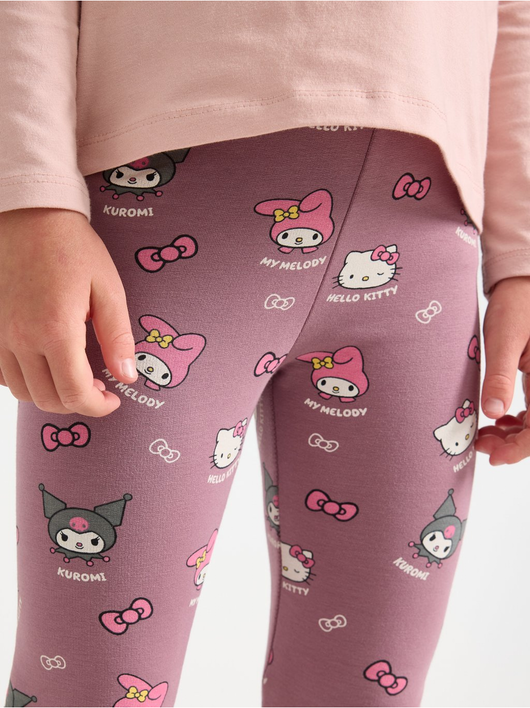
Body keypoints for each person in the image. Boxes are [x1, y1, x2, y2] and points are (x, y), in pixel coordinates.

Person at [0, 2, 529, 707]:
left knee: (369, 692)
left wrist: (521, 260)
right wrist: (29, 199)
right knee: (88, 687)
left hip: (429, 249)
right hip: (152, 227)